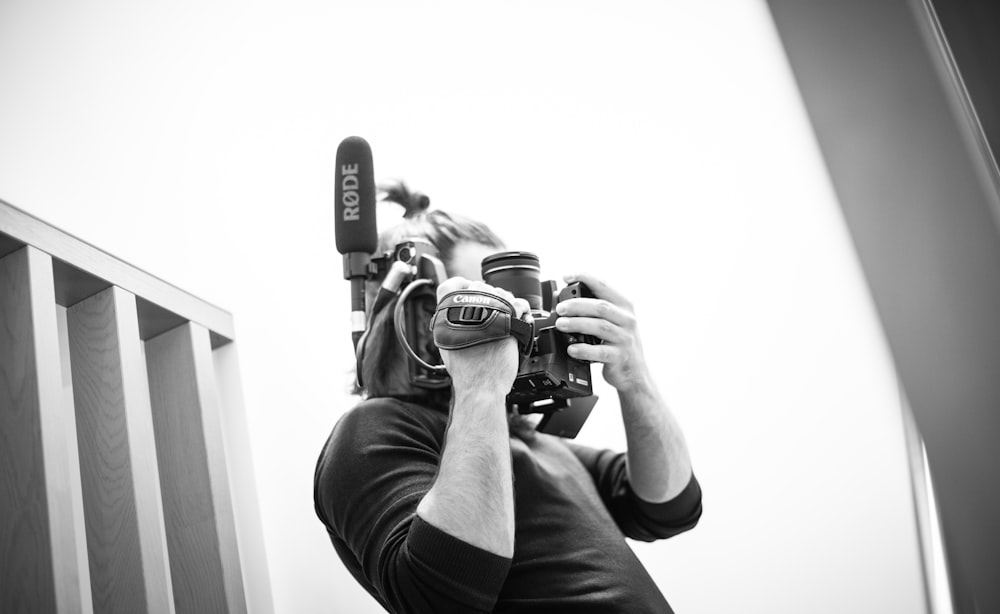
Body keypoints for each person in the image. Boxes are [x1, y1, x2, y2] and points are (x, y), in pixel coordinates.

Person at [314, 183, 702, 613]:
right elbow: (441, 598)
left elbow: (669, 508)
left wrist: (636, 378)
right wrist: (479, 385)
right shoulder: (372, 429)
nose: (518, 319)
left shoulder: (539, 443)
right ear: (422, 312)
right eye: (489, 298)